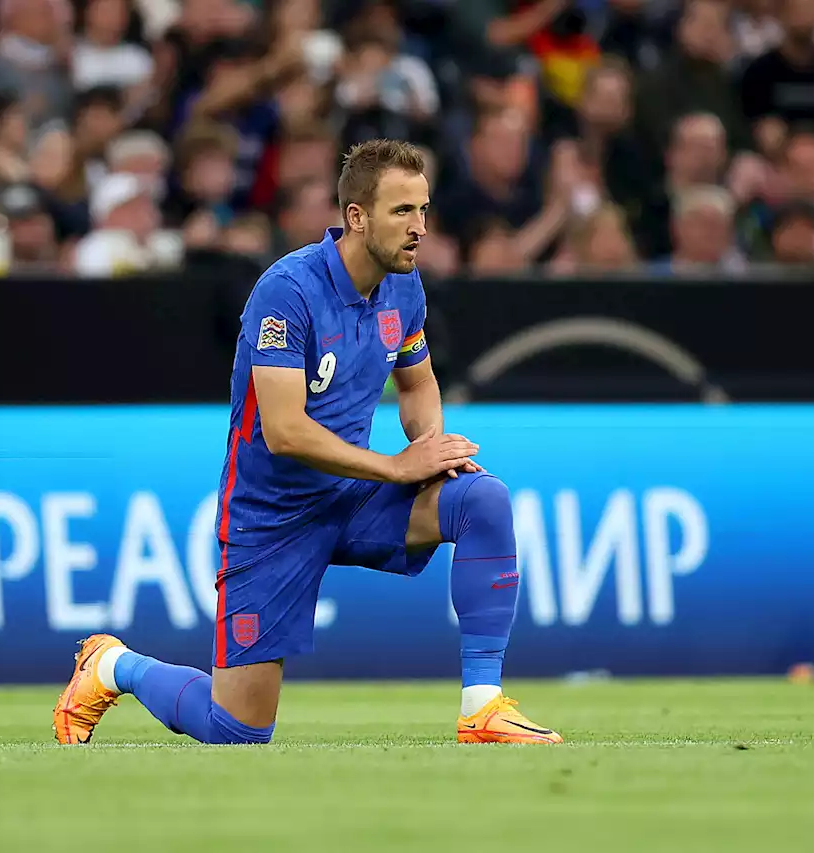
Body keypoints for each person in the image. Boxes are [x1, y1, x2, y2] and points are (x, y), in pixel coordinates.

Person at [52, 138, 562, 746]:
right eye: (402, 212)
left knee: (482, 499)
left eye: (423, 210)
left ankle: (482, 707)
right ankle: (112, 666)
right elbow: (285, 430)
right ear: (356, 217)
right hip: (271, 517)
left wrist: (431, 450)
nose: (420, 227)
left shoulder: (404, 287)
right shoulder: (286, 291)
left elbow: (418, 382)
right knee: (235, 731)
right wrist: (398, 468)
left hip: (353, 495)